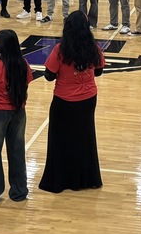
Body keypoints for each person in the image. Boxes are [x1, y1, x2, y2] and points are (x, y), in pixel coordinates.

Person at [39, 12, 105, 193]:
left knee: (60, 140)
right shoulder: (93, 47)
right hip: (88, 99)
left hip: (64, 101)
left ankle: (60, 180)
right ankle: (85, 178)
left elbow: (49, 76)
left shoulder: (60, 50)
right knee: (84, 137)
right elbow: (99, 71)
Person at [0, 30, 32, 204]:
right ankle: (19, 191)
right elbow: (24, 89)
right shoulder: (23, 64)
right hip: (19, 112)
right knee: (17, 150)